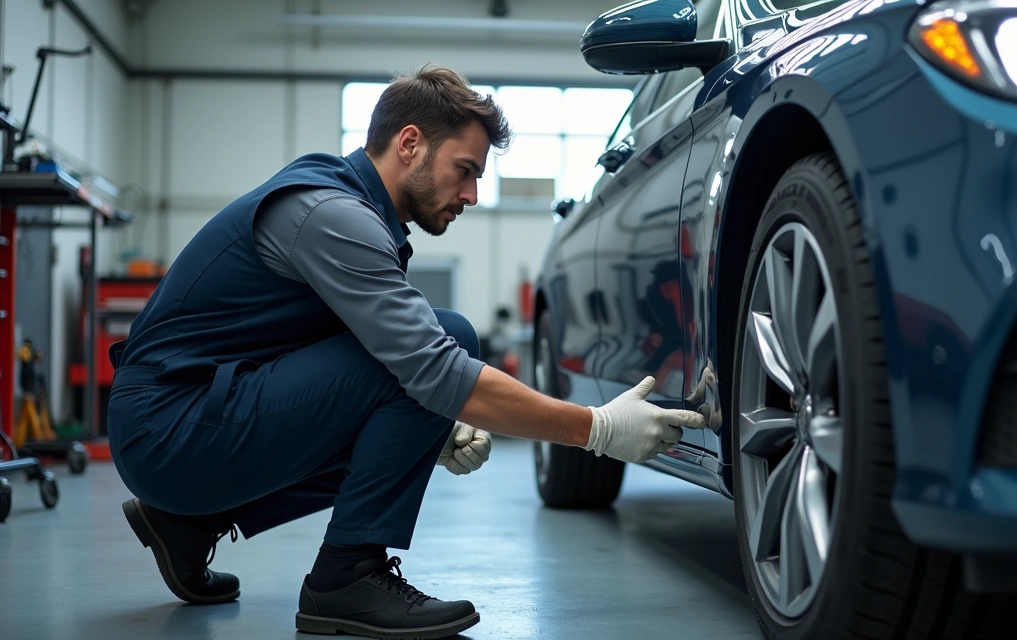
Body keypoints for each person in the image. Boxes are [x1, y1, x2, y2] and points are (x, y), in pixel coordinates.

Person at [106, 64, 706, 639]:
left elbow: (346, 364)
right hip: (167, 429)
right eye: (465, 170)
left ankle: (184, 524)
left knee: (426, 365)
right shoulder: (334, 215)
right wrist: (597, 428)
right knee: (451, 341)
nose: (472, 194)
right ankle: (348, 575)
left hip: (178, 423)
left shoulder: (346, 204)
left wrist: (427, 432)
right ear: (410, 143)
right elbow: (431, 368)